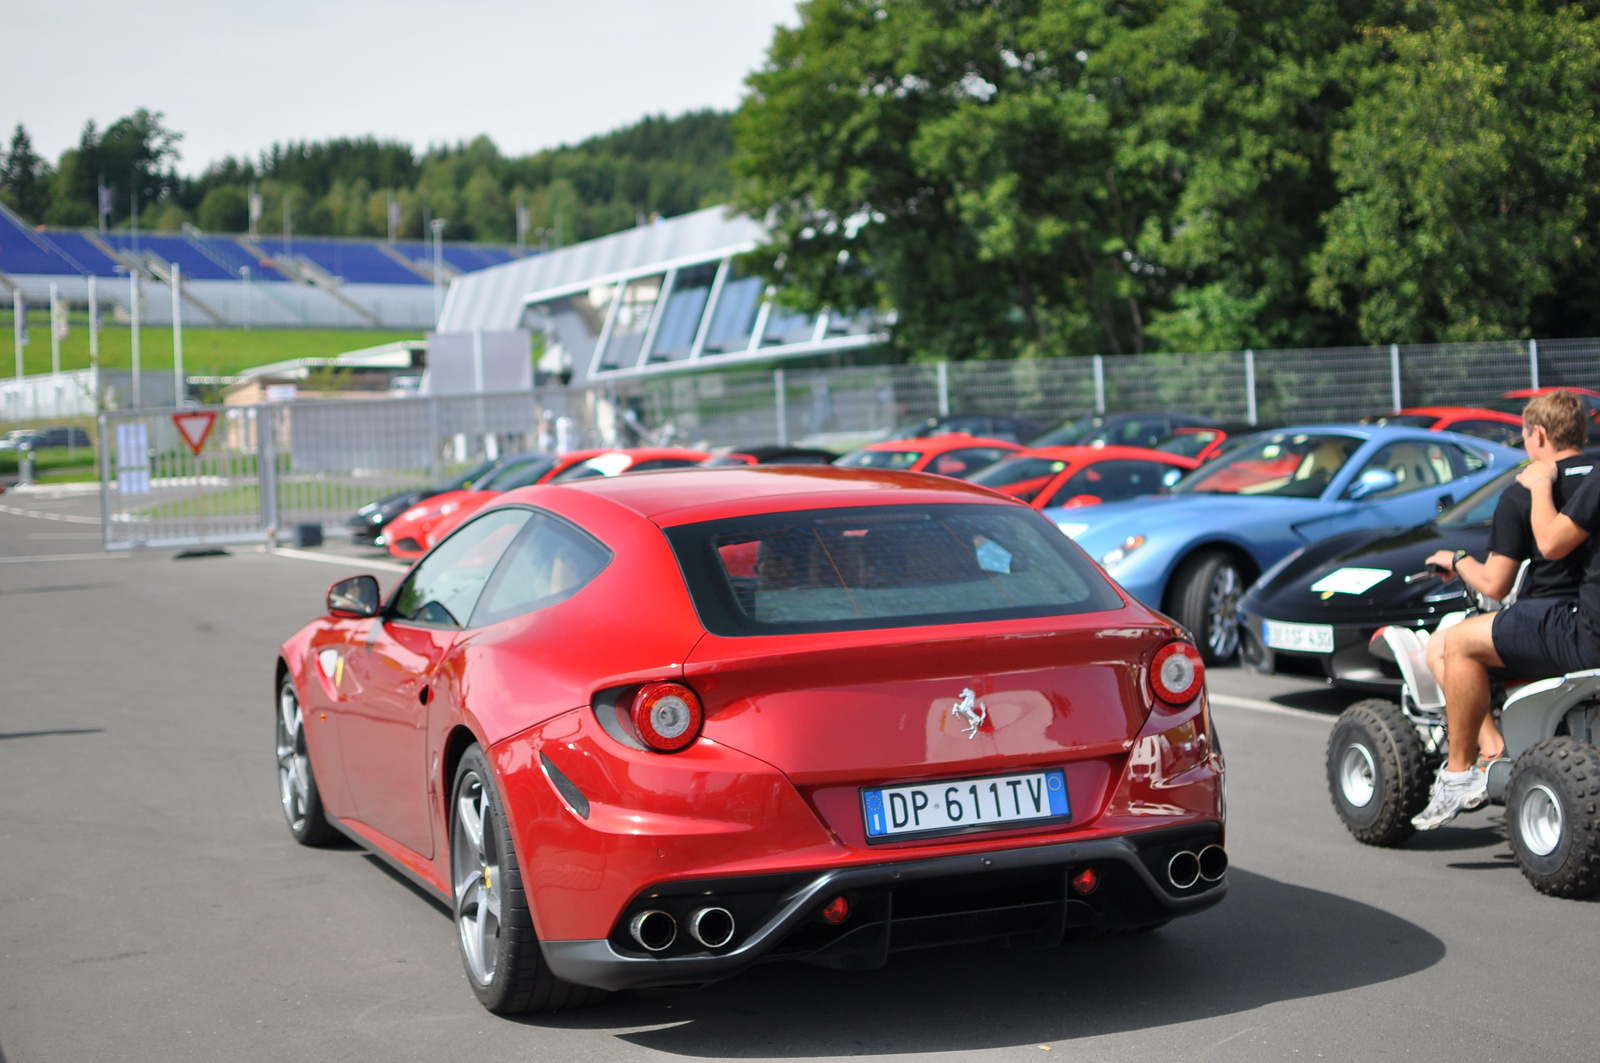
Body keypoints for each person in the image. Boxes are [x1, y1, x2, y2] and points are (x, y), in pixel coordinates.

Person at [1413, 390, 1598, 829]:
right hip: (1573, 619)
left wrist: (1457, 561)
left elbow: (1499, 580)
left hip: (1569, 626)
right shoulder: (1593, 476)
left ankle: (1467, 769)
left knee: (1450, 643)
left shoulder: (1527, 488)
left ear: (1537, 435)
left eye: (1524, 436)